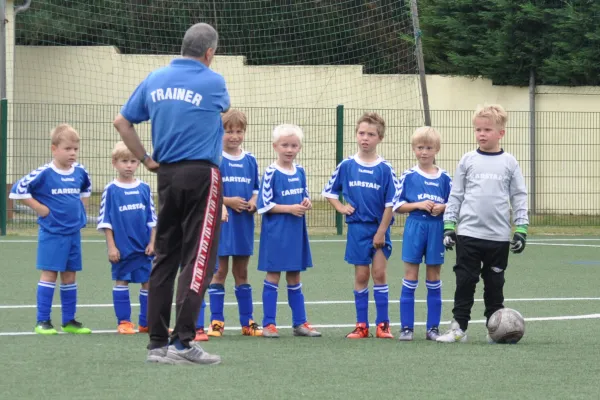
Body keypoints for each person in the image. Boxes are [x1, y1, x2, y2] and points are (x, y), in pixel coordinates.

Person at [113, 22, 229, 365]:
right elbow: (220, 109)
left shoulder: (155, 78)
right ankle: (183, 342)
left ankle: (157, 345)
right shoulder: (214, 81)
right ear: (209, 53)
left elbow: (122, 122)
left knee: (165, 256)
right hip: (202, 175)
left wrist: (147, 159)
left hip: (166, 175)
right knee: (199, 259)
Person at [437, 104, 528, 343]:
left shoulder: (509, 162)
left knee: (495, 285)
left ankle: (495, 330)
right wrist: (449, 225)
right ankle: (458, 329)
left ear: (501, 133)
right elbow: (456, 195)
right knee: (465, 282)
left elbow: (519, 196)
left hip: (498, 237)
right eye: (478, 129)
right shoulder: (468, 160)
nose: (482, 134)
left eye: (487, 129)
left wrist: (521, 229)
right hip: (468, 234)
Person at [9, 124, 92, 335]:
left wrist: (82, 212)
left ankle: (69, 321)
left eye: (75, 149)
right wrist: (40, 209)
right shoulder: (44, 173)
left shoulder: (81, 172)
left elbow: (86, 189)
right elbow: (17, 190)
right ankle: (42, 321)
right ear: (54, 149)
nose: (72, 153)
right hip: (52, 233)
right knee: (49, 275)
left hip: (73, 233)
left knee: (70, 276)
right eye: (67, 148)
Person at [321, 112, 398, 339]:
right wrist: (341, 208)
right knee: (362, 276)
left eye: (371, 134)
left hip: (379, 228)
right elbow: (329, 192)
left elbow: (390, 203)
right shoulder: (346, 165)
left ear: (380, 138)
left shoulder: (385, 168)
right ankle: (361, 325)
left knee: (380, 273)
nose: (365, 138)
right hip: (357, 229)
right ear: (356, 135)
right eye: (361, 133)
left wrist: (381, 231)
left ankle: (383, 325)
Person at [256, 124, 321, 338]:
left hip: (296, 231)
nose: (289, 149)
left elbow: (304, 194)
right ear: (275, 146)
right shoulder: (271, 172)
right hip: (276, 232)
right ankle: (269, 324)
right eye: (285, 145)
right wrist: (290, 209)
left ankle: (300, 323)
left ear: (299, 147)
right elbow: (263, 205)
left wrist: (306, 202)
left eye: (293, 145)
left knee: (294, 276)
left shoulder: (300, 171)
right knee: (273, 275)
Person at [207, 109, 263, 338]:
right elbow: (207, 190)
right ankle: (216, 322)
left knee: (242, 272)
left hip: (243, 224)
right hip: (222, 223)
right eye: (229, 131)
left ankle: (247, 322)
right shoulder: (214, 158)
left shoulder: (250, 160)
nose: (234, 136)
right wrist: (227, 201)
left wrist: (252, 202)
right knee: (219, 271)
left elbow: (256, 190)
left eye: (239, 131)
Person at [393, 127, 452, 341]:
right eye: (420, 148)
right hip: (415, 227)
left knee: (434, 277)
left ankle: (432, 329)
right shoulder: (408, 176)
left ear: (437, 149)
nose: (424, 152)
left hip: (436, 229)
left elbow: (454, 203)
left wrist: (442, 207)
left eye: (429, 148)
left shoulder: (445, 177)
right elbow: (397, 205)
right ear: (413, 149)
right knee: (410, 276)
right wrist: (418, 204)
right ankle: (406, 328)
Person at [97, 141, 157, 335]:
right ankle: (124, 321)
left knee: (148, 282)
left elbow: (152, 218)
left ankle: (146, 322)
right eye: (124, 161)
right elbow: (106, 221)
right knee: (121, 281)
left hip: (144, 247)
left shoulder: (144, 188)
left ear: (138, 163)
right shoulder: (111, 190)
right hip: (122, 249)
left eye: (133, 161)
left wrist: (153, 242)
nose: (129, 165)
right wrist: (111, 247)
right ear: (115, 163)